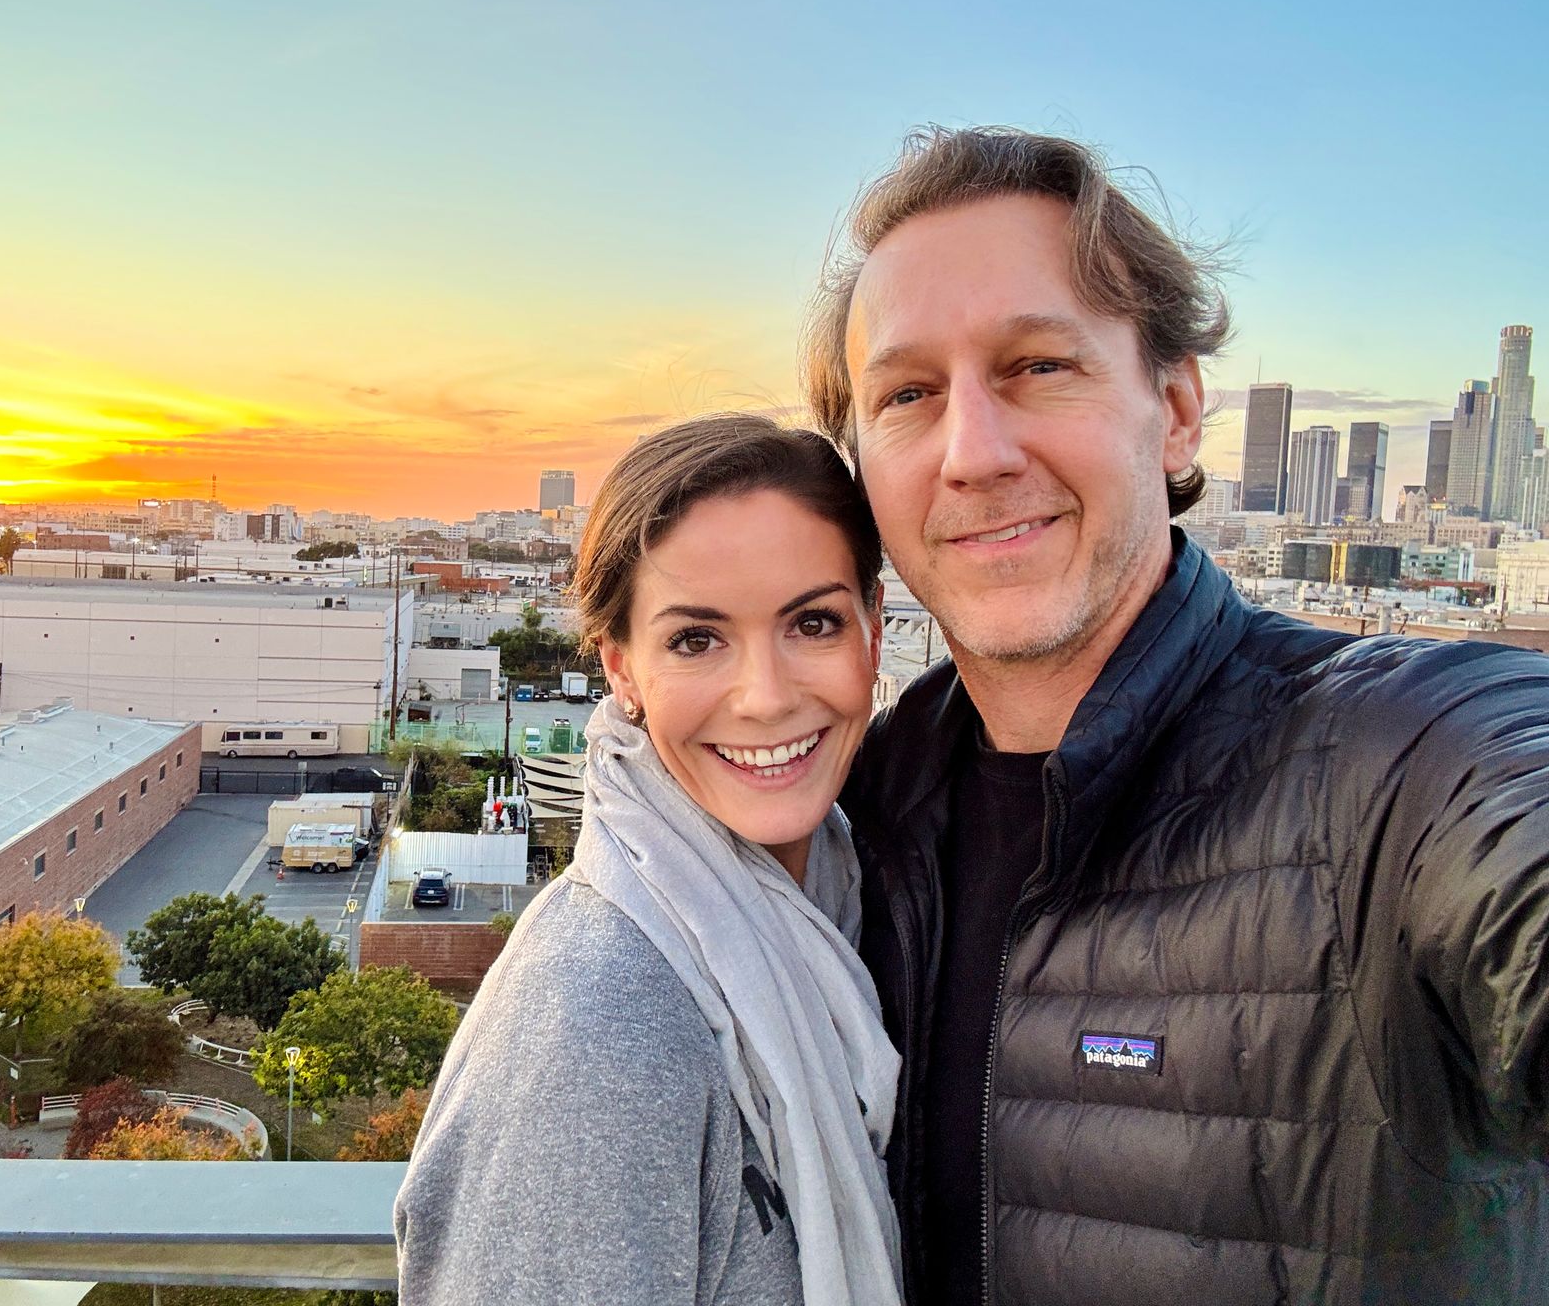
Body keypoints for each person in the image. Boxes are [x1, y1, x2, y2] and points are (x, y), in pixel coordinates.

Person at [801, 125, 1549, 1303]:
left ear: (1180, 411)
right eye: (907, 394)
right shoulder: (851, 815)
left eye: (1038, 366)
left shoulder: (1390, 764)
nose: (973, 453)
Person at [396, 413, 904, 1305]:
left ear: (873, 633)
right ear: (622, 670)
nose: (765, 697)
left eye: (813, 622)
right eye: (696, 640)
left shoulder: (851, 900)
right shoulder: (599, 1029)